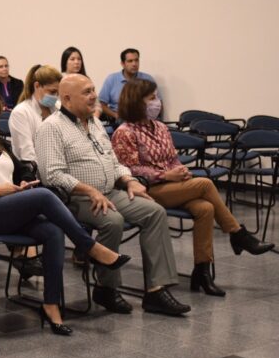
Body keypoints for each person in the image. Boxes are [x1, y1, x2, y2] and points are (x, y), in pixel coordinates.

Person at [0, 85, 130, 335]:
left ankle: (51, 304)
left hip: (11, 208)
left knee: (53, 231)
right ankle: (89, 246)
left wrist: (25, 180)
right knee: (43, 195)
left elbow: (22, 168)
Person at [35, 73, 191, 316]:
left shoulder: (95, 123)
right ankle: (106, 287)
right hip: (75, 198)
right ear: (66, 99)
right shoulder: (51, 128)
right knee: (113, 220)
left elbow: (114, 162)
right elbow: (52, 175)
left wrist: (129, 180)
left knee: (155, 212)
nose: (94, 96)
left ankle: (156, 290)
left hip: (110, 191)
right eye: (86, 92)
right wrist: (89, 190)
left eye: (93, 90)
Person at [111, 79, 275, 296]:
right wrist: (164, 175)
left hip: (172, 186)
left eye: (156, 97)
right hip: (145, 191)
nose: (157, 102)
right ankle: (237, 233)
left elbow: (172, 159)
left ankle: (202, 272)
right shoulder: (125, 132)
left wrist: (180, 170)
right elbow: (128, 169)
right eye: (151, 98)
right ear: (136, 101)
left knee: (205, 209)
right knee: (205, 183)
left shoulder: (160, 127)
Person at [9, 64, 61, 163]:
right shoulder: (21, 113)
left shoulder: (58, 107)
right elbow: (27, 154)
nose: (55, 96)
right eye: (52, 91)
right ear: (37, 86)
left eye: (57, 93)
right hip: (35, 168)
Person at [99, 48, 155, 120]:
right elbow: (101, 104)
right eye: (130, 61)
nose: (134, 64)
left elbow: (158, 103)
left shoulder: (147, 79)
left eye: (136, 60)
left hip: (143, 119)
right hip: (119, 119)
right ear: (122, 64)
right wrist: (115, 115)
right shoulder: (112, 79)